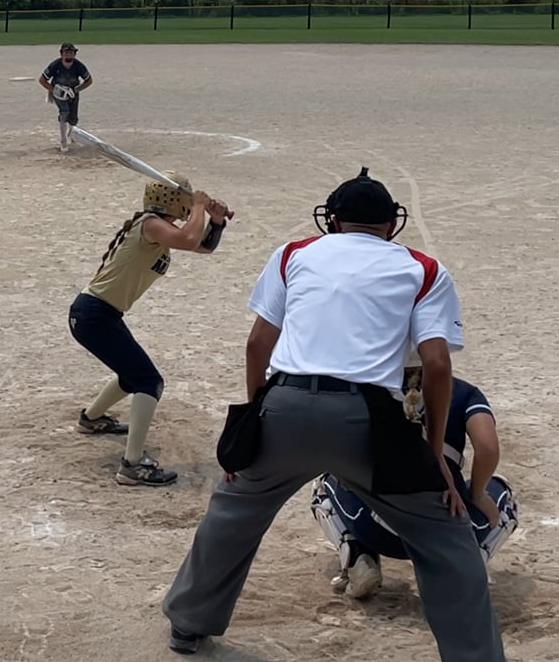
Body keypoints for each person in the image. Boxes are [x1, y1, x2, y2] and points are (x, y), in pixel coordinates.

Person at [161, 168, 502, 661]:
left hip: (286, 406)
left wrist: (255, 424)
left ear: (334, 221)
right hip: (370, 424)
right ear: (391, 224)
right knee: (444, 537)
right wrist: (435, 461)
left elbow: (258, 345)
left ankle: (188, 624)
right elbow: (436, 365)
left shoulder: (294, 253)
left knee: (234, 512)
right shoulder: (424, 268)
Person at [70, 173, 230, 487]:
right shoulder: (150, 224)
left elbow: (202, 246)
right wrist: (199, 207)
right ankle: (132, 466)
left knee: (133, 375)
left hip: (101, 314)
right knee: (148, 381)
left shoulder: (160, 229)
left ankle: (91, 419)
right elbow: (189, 239)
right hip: (94, 315)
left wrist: (217, 221)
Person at [311, 374, 519, 599]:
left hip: (374, 527)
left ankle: (358, 555)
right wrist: (477, 494)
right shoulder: (464, 393)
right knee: (502, 493)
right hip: (447, 534)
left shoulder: (371, 385)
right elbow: (488, 447)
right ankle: (461, 568)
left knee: (326, 483)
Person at [38, 43, 92, 152]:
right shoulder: (55, 65)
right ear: (61, 54)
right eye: (66, 53)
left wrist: (75, 90)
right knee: (64, 112)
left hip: (72, 93)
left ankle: (71, 134)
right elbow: (42, 80)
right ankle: (63, 141)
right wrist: (54, 90)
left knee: (73, 119)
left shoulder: (79, 66)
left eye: (71, 53)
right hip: (58, 93)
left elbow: (89, 81)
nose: (68, 55)